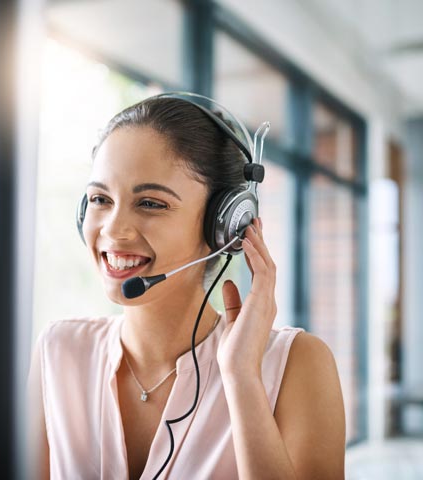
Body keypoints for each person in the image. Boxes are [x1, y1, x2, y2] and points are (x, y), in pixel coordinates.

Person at [27, 94, 346, 479]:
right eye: (100, 199)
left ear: (225, 224)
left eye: (150, 203)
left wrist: (242, 377)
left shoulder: (297, 364)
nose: (112, 229)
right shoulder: (60, 351)